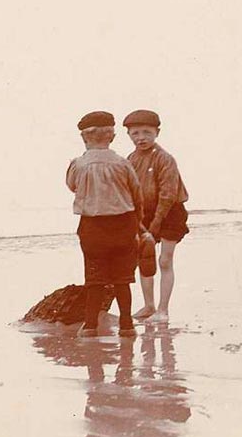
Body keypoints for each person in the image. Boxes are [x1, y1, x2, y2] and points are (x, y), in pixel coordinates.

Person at [66, 111, 145, 337]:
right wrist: (139, 224)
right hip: (123, 224)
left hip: (92, 227)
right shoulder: (123, 163)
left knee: (94, 278)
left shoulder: (78, 164)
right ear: (112, 136)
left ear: (84, 138)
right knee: (122, 279)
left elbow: (72, 186)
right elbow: (136, 193)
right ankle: (127, 325)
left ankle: (90, 325)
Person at [123, 109, 189, 323]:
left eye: (146, 132)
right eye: (135, 133)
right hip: (144, 214)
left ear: (157, 132)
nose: (141, 137)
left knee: (165, 260)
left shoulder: (165, 159)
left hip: (170, 212)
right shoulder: (130, 159)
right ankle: (149, 306)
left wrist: (154, 227)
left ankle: (163, 310)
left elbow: (168, 195)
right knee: (146, 259)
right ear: (129, 135)